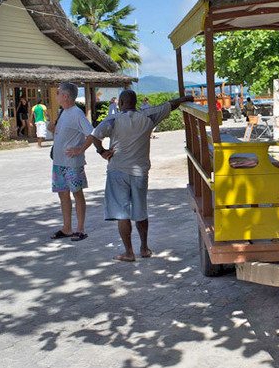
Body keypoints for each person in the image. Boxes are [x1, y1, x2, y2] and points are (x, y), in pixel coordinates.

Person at [66, 90, 193, 262]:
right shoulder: (148, 116)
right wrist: (185, 98)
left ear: (121, 103)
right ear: (135, 102)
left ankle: (129, 252)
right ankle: (144, 248)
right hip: (140, 172)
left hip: (117, 170)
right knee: (141, 211)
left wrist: (102, 151)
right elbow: (171, 104)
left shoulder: (113, 119)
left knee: (122, 213)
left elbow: (95, 135)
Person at [48, 82, 93, 242]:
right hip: (59, 162)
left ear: (65, 96)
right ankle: (67, 228)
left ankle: (80, 229)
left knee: (77, 193)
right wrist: (52, 128)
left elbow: (91, 134)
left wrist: (80, 149)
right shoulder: (63, 112)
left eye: (58, 92)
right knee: (63, 194)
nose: (56, 95)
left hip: (72, 163)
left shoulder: (77, 113)